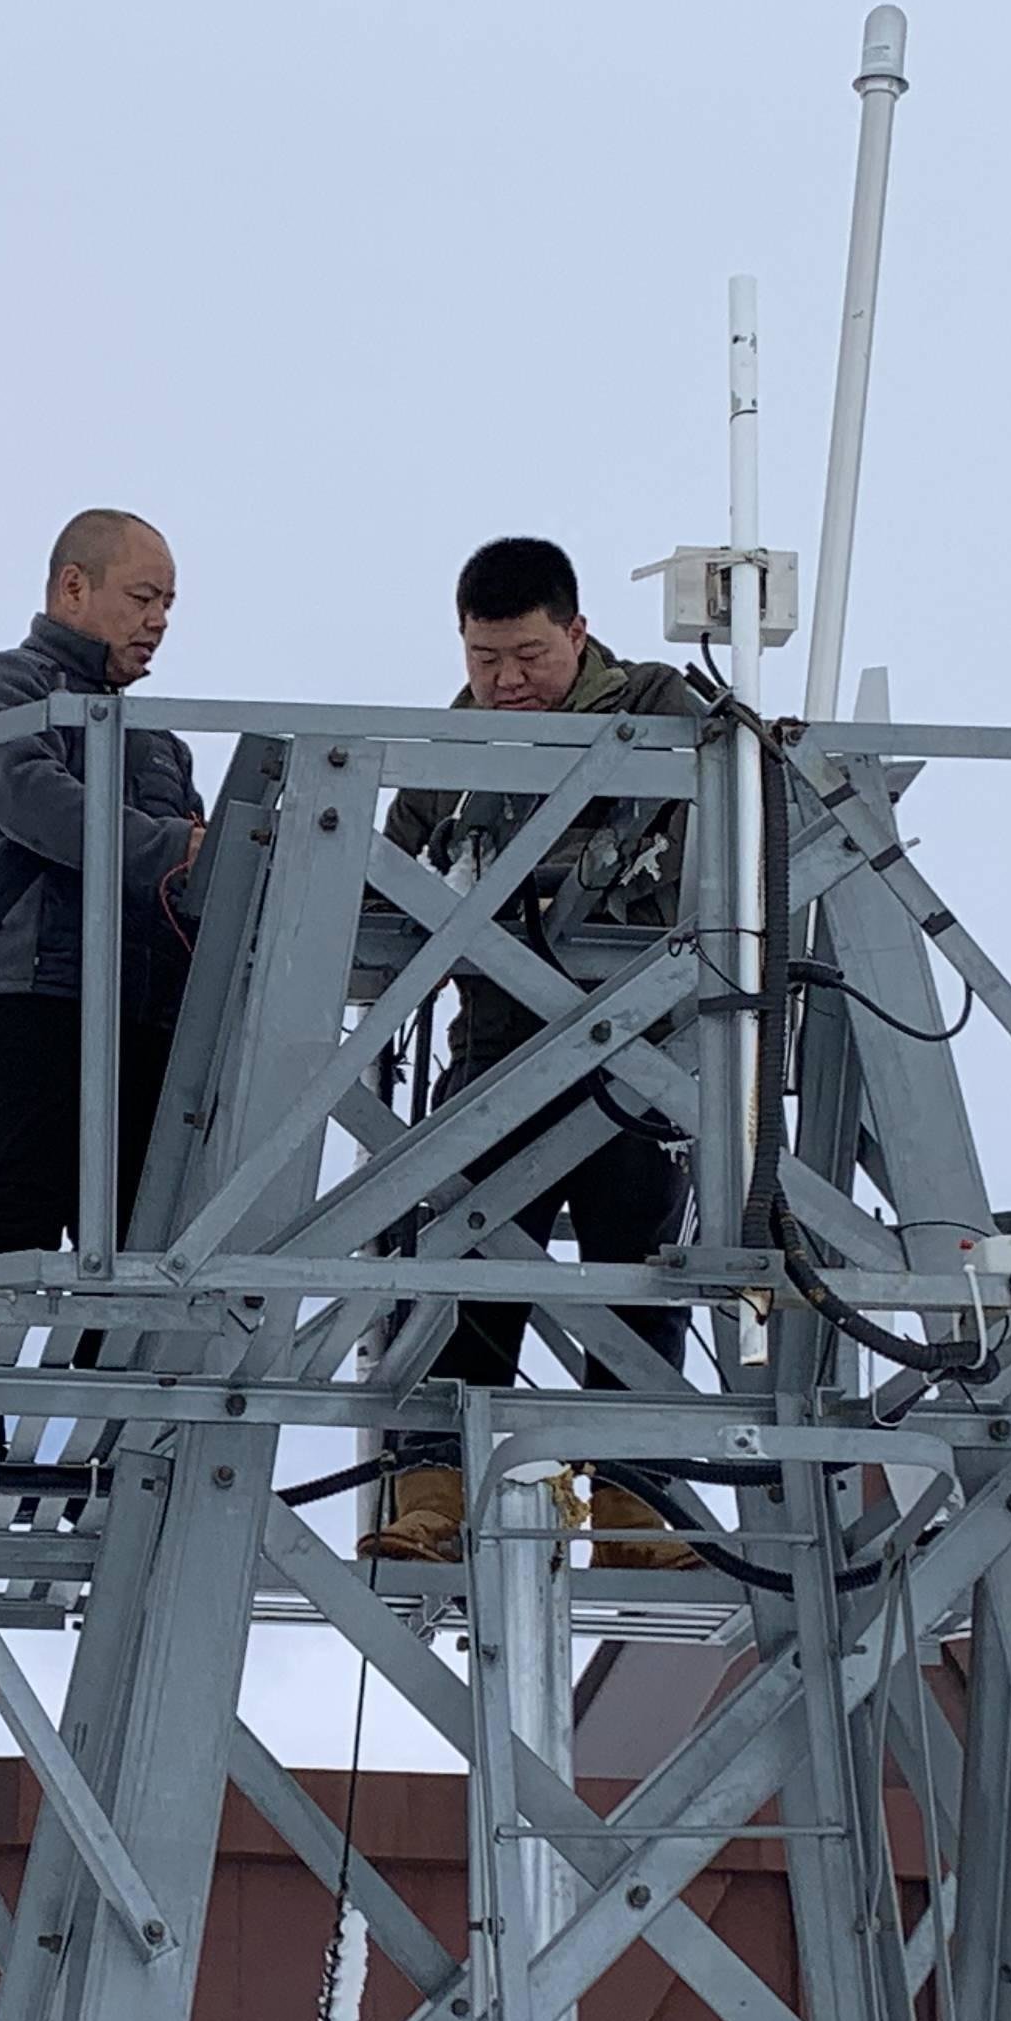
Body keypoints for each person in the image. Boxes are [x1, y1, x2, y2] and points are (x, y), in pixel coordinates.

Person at [363, 535, 708, 1567]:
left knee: (639, 1269)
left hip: (637, 1045)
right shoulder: (447, 752)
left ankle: (634, 1509)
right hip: (497, 1050)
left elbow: (722, 843)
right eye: (485, 660)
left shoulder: (662, 711)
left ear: (577, 632)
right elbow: (387, 874)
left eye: (527, 657)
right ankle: (433, 1492)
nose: (507, 681)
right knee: (461, 1264)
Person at [0, 510, 207, 1261]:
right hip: (35, 991)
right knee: (23, 1211)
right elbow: (38, 802)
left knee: (144, 1242)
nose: (157, 621)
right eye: (143, 597)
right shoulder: (2, 685)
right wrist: (177, 848)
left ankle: (110, 1380)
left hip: (144, 1011)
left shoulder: (161, 741)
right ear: (72, 587)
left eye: (168, 605)